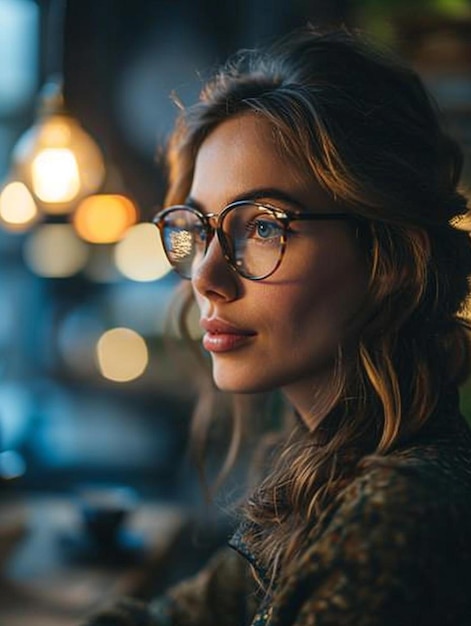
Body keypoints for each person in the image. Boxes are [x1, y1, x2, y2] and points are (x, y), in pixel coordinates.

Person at [84, 26, 471, 626]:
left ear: (388, 255)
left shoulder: (393, 517)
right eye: (200, 228)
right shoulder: (327, 468)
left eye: (264, 226)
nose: (206, 276)